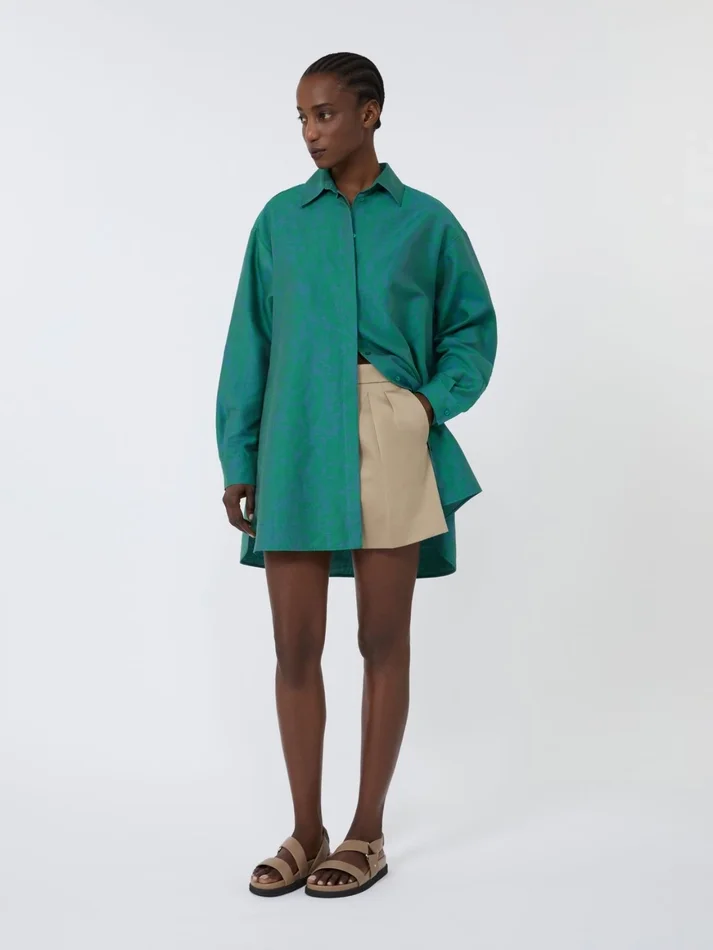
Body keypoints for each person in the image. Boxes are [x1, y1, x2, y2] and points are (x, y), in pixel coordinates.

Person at [216, 51, 497, 898]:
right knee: (294, 645)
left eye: (326, 113)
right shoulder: (279, 221)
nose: (310, 132)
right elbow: (249, 342)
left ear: (370, 113)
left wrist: (425, 405)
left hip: (388, 426)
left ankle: (365, 832)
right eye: (302, 117)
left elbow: (471, 329)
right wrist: (239, 455)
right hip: (294, 434)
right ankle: (305, 830)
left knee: (381, 639)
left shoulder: (425, 223)